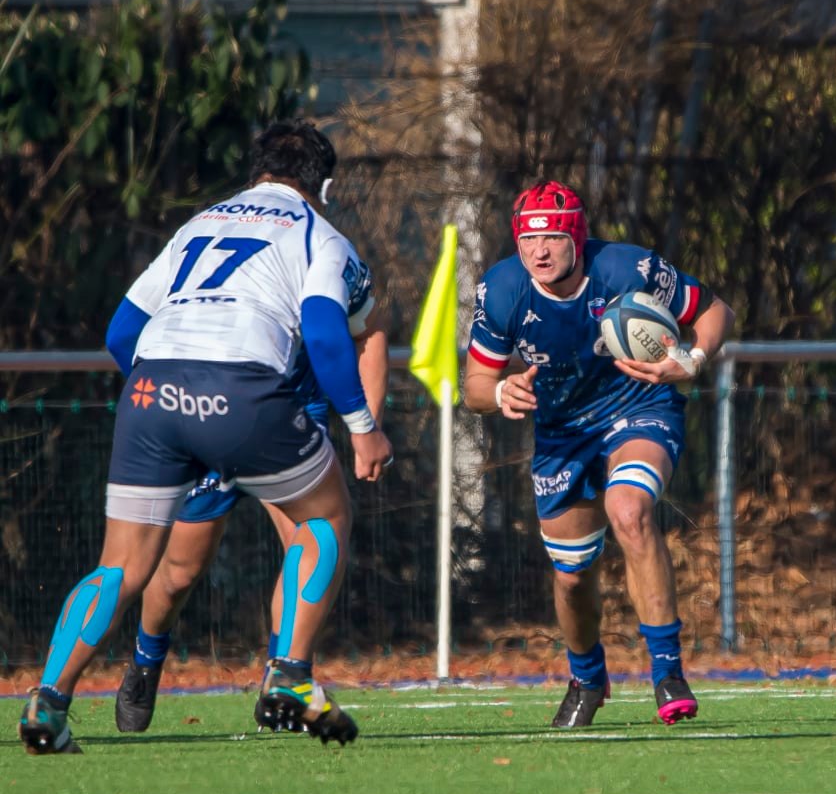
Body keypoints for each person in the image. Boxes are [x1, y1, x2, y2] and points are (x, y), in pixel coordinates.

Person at [17, 120, 393, 754]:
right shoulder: (318, 234)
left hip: (150, 389)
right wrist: (363, 428)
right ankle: (290, 677)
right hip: (245, 390)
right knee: (324, 517)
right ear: (323, 186)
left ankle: (48, 703)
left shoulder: (198, 224)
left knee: (121, 566)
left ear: (255, 172)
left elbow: (120, 332)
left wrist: (170, 402)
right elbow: (326, 333)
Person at [464, 181, 735, 729]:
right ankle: (587, 678)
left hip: (640, 404)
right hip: (562, 433)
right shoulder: (502, 289)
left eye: (552, 238)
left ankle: (667, 671)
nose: (539, 251)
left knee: (629, 511)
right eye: (528, 239)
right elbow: (475, 386)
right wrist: (501, 392)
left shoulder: (628, 269)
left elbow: (713, 310)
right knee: (572, 576)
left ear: (577, 237)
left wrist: (693, 358)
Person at [111, 329, 391, 734]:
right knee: (178, 573)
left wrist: (368, 426)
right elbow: (122, 333)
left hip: (287, 416)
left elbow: (369, 330)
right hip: (208, 410)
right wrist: (164, 402)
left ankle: (284, 679)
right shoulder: (182, 283)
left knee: (311, 540)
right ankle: (146, 658)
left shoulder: (323, 282)